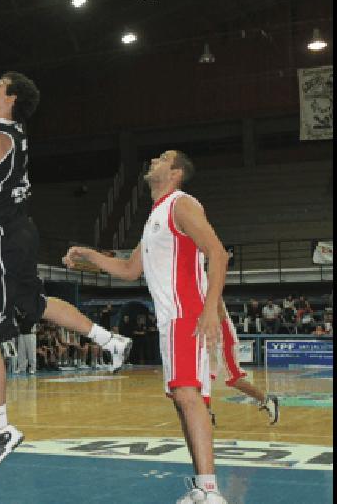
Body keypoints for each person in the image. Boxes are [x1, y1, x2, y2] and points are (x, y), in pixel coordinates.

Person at [0, 31, 131, 477]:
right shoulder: (2, 131)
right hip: (16, 234)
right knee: (34, 304)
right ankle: (108, 339)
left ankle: (0, 429)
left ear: (8, 98)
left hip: (0, 239)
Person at [65, 149, 229, 503]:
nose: (154, 159)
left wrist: (211, 310)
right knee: (184, 400)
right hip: (172, 319)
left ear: (175, 172)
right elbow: (128, 270)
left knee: (188, 396)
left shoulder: (182, 204)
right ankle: (204, 488)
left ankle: (210, 491)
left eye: (162, 158)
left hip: (187, 314)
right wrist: (88, 256)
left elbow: (218, 253)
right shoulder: (156, 214)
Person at [209, 300, 279, 426]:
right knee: (201, 377)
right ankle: (206, 413)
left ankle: (267, 400)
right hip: (208, 339)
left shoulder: (210, 287)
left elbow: (220, 314)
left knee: (234, 379)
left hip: (223, 339)